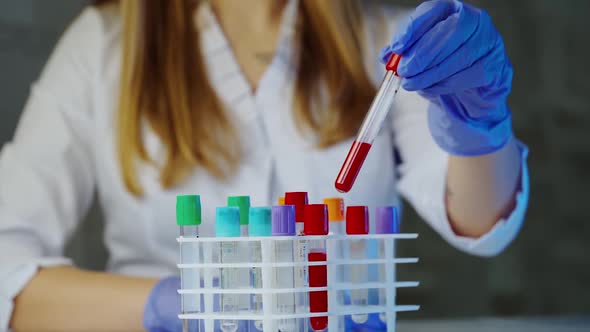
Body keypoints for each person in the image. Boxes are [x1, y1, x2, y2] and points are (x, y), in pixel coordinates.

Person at [0, 0, 529, 331]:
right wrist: (176, 305)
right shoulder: (102, 47)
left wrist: (479, 124)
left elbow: (480, 224)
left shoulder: (393, 45)